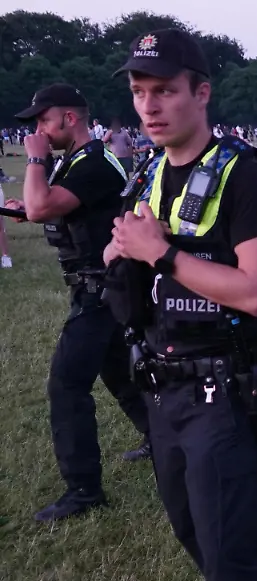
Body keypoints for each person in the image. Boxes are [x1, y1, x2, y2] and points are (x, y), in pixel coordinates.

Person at [106, 28, 257, 581]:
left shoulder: (245, 175)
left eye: (164, 90)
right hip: (163, 384)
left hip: (221, 389)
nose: (149, 106)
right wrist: (124, 252)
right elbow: (127, 246)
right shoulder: (150, 171)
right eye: (139, 92)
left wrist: (163, 253)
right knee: (190, 525)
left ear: (202, 91)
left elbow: (254, 292)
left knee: (228, 542)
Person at [4, 84, 151, 522]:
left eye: (43, 121)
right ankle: (163, 442)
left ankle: (84, 490)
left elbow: (43, 208)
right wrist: (24, 205)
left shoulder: (93, 163)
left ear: (69, 118)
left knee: (67, 386)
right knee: (122, 378)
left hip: (102, 287)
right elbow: (50, 211)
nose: (38, 130)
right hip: (95, 285)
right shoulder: (76, 162)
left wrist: (34, 160)